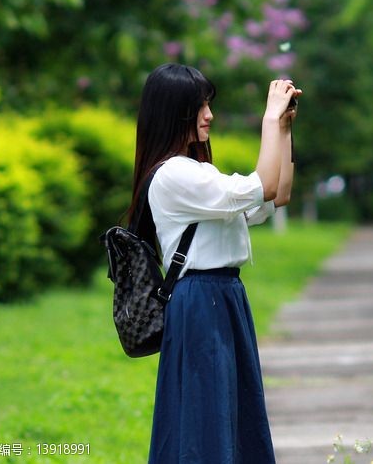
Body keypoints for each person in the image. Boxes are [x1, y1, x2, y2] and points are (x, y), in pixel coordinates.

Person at [126, 63, 299, 463]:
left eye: (207, 104)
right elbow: (265, 184)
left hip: (222, 297)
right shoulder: (174, 176)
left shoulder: (198, 173)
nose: (209, 115)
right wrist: (268, 119)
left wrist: (284, 129)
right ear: (174, 113)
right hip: (202, 301)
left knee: (231, 412)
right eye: (199, 106)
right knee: (206, 416)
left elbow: (277, 196)